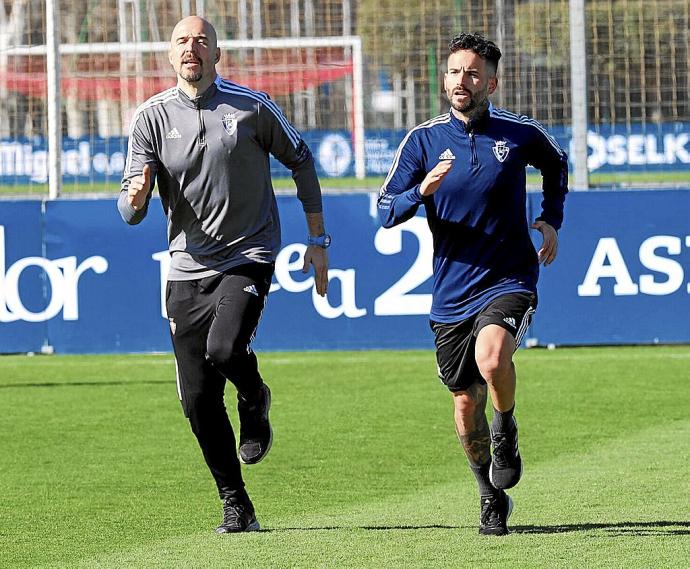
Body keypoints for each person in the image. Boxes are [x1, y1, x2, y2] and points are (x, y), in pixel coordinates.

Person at [118, 15, 330, 533]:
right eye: (181, 41)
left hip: (248, 255)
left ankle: (255, 396)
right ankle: (236, 502)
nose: (191, 48)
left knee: (224, 350)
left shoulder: (252, 107)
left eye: (201, 40)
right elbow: (129, 210)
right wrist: (138, 196)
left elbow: (302, 161)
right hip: (186, 268)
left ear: (218, 53)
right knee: (196, 399)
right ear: (169, 56)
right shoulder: (149, 119)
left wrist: (317, 239)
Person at [378, 32, 568, 536]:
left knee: (493, 358)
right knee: (464, 402)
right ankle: (489, 496)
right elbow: (384, 210)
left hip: (509, 277)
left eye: (473, 72)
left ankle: (506, 428)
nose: (462, 80)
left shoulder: (519, 133)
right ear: (445, 79)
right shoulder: (422, 141)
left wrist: (550, 219)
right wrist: (421, 191)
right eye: (455, 71)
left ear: (492, 81)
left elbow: (557, 165)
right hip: (451, 292)